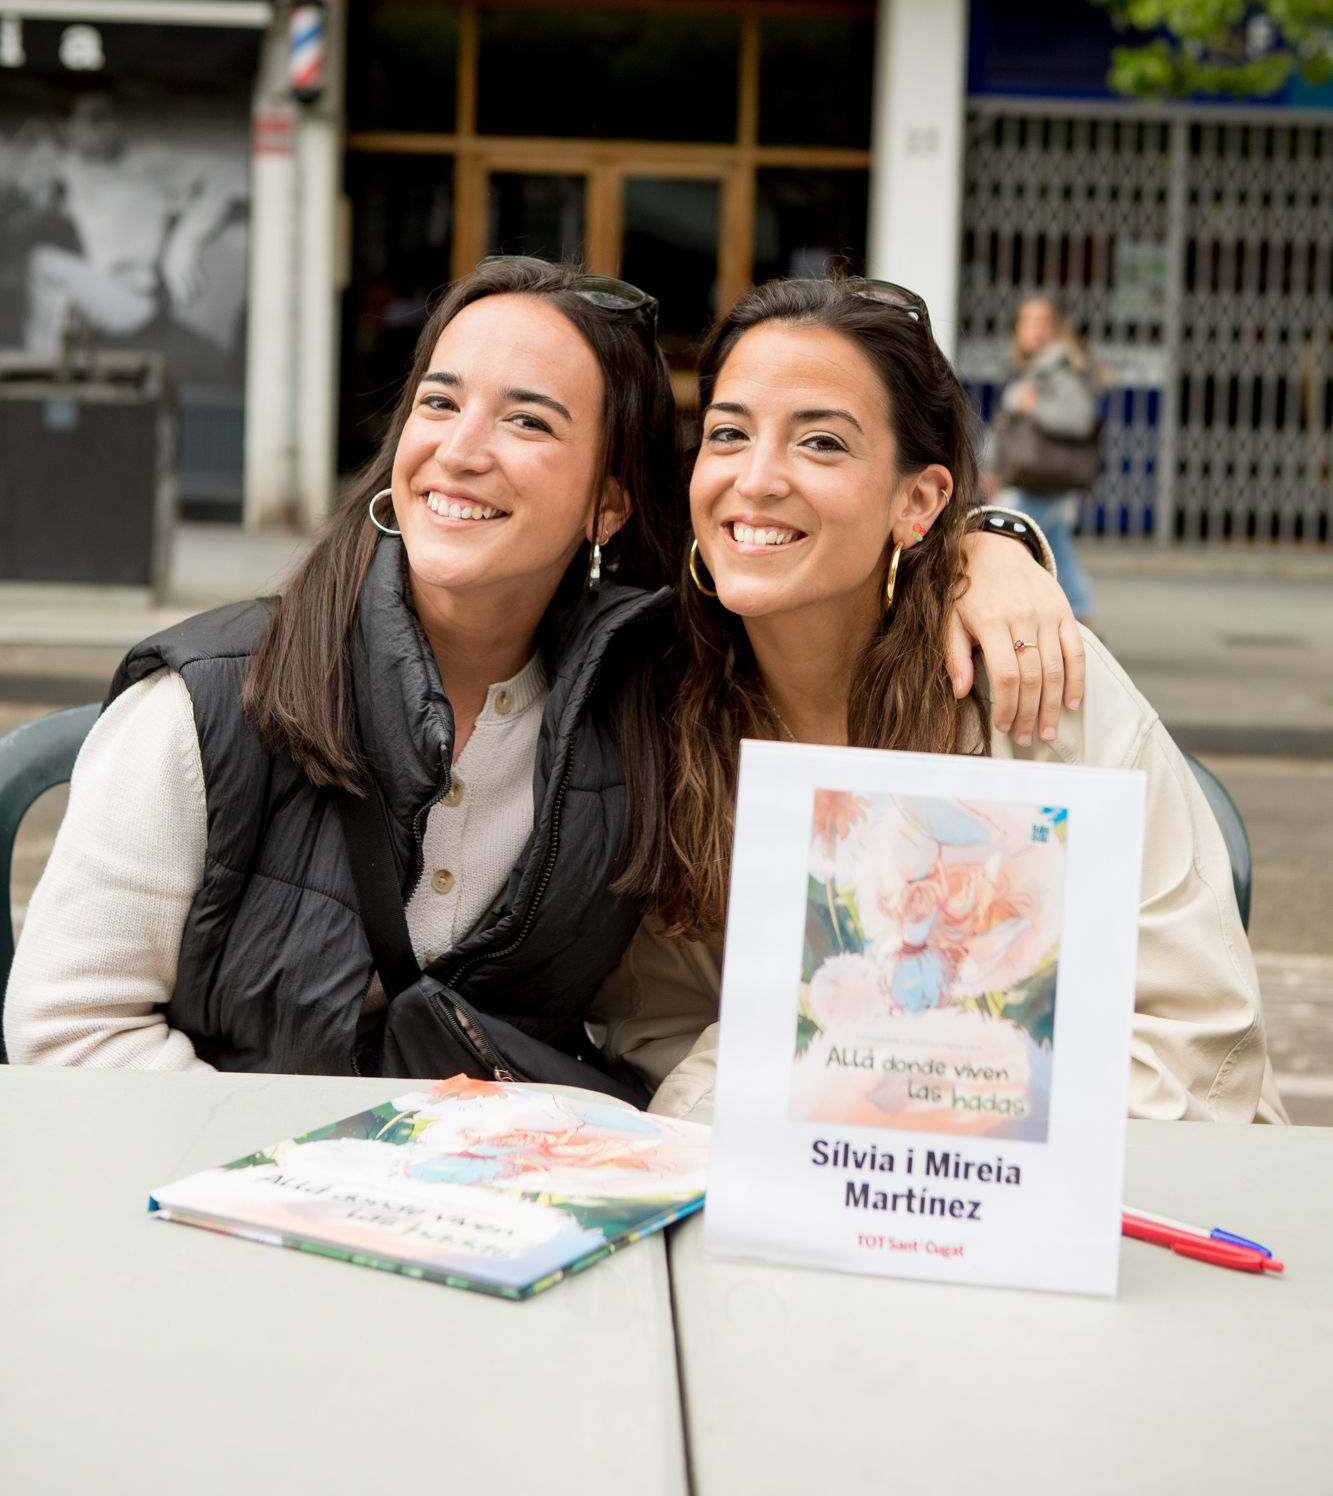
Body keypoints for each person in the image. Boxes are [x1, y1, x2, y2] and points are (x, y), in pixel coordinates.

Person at [5, 258, 1077, 1078]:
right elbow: (67, 1027)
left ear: (608, 502)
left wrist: (986, 545)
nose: (462, 450)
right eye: (438, 401)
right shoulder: (203, 702)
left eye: (528, 420)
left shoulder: (648, 695)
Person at [596, 276, 1285, 1126]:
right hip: (778, 1199)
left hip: (1098, 1202)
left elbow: (1195, 1044)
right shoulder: (667, 705)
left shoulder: (1028, 675)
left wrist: (891, 1103)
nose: (757, 478)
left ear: (917, 502)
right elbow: (653, 1022)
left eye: (820, 443)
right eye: (728, 433)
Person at [988, 294, 1102, 624]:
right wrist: (994, 468)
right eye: (1027, 322)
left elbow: (1080, 419)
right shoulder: (1031, 369)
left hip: (1043, 478)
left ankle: (1003, 616)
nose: (1034, 331)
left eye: (1042, 323)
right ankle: (1081, 614)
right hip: (1032, 476)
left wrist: (1034, 407)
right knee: (1056, 547)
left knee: (1005, 538)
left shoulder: (1060, 370)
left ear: (1055, 329)